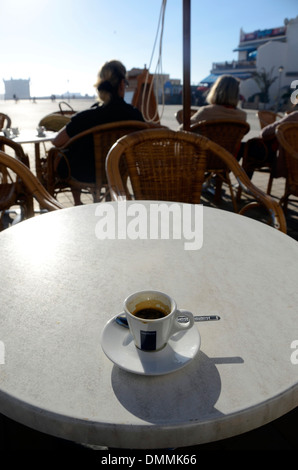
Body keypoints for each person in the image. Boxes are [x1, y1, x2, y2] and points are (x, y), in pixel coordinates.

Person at [52, 60, 144, 194]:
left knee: (63, 152)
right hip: (119, 172)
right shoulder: (135, 116)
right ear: (122, 85)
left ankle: (77, 204)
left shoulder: (87, 117)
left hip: (84, 173)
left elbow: (57, 141)